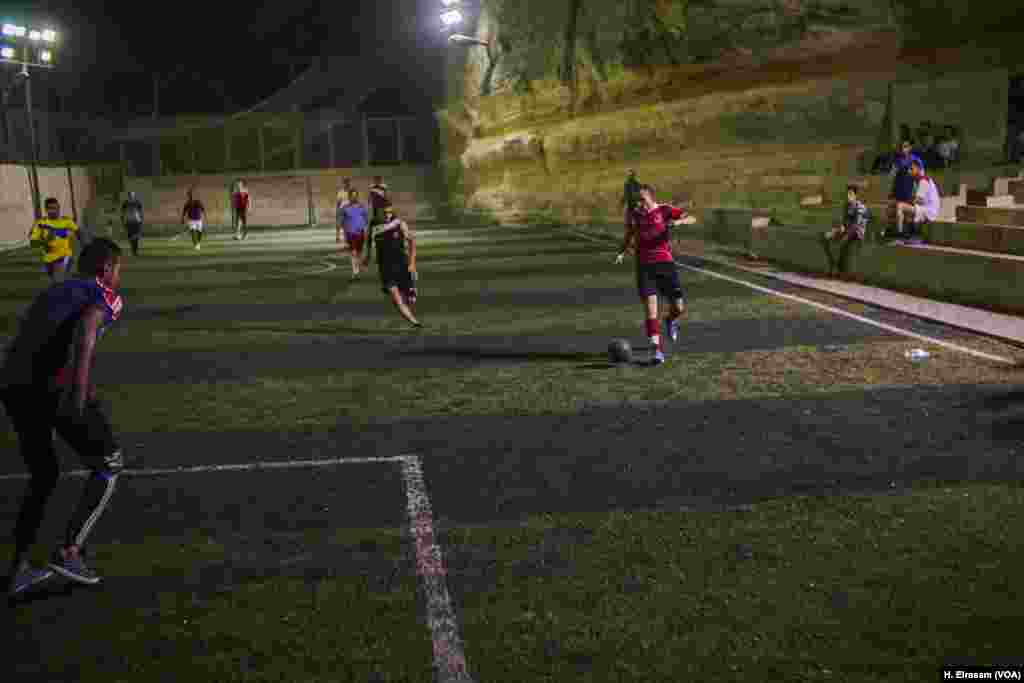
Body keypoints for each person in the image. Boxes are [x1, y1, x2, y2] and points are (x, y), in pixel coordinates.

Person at [2, 238, 126, 597]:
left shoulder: (55, 290)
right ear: (106, 269)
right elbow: (85, 332)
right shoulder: (104, 294)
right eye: (118, 270)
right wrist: (80, 395)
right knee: (109, 462)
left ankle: (18, 570)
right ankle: (70, 551)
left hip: (12, 386)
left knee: (43, 475)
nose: (119, 277)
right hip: (51, 390)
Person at [614, 184, 690, 365]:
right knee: (650, 311)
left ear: (651, 198)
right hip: (644, 267)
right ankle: (657, 351)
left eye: (642, 200)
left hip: (665, 265)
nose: (638, 204)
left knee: (679, 308)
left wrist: (678, 222)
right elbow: (630, 234)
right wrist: (621, 251)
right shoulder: (635, 215)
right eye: (636, 201)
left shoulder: (664, 210)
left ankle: (671, 320)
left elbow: (690, 217)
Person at [364, 203, 421, 328]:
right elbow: (368, 240)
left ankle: (411, 291)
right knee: (396, 298)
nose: (387, 215)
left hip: (402, 265)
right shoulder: (374, 225)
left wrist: (412, 263)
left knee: (411, 300)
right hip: (385, 268)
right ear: (379, 212)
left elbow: (412, 243)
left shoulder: (400, 224)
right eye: (384, 212)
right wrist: (367, 256)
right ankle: (414, 321)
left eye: (389, 212)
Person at [821, 185, 870, 278]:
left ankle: (837, 269)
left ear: (856, 195)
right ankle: (834, 264)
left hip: (857, 232)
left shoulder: (860, 207)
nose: (848, 196)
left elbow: (856, 225)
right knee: (825, 237)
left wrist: (844, 233)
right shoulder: (846, 206)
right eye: (847, 194)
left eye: (850, 194)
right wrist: (836, 230)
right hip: (848, 230)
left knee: (841, 242)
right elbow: (845, 222)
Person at [29, 197, 79, 283]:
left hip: (64, 257)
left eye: (56, 208)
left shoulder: (66, 221)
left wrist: (87, 247)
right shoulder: (41, 223)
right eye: (51, 208)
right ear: (46, 210)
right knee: (56, 283)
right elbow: (32, 243)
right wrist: (44, 243)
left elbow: (79, 232)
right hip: (48, 260)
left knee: (60, 280)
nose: (55, 211)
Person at [893, 160, 940, 242]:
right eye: (909, 169)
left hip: (929, 211)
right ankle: (909, 235)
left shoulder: (924, 180)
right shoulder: (917, 181)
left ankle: (900, 235)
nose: (909, 171)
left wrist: (906, 203)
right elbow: (914, 200)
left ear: (918, 169)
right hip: (924, 208)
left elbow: (918, 200)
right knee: (900, 206)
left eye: (911, 169)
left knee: (900, 206)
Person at [337, 189, 369, 279]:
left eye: (356, 195)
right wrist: (341, 234)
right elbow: (341, 221)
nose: (354, 197)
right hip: (350, 233)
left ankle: (358, 268)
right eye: (352, 196)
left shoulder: (362, 207)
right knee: (353, 253)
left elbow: (366, 220)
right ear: (349, 197)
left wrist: (366, 231)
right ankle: (355, 272)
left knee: (359, 253)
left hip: (360, 233)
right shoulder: (345, 208)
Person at [121, 191, 144, 256]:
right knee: (130, 237)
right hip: (129, 221)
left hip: (136, 221)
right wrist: (123, 221)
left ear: (134, 196)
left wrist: (141, 220)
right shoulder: (125, 203)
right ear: (128, 196)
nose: (131, 197)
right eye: (130, 195)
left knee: (136, 236)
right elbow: (122, 213)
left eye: (132, 195)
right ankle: (133, 250)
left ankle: (135, 251)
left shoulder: (137, 203)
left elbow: (141, 212)